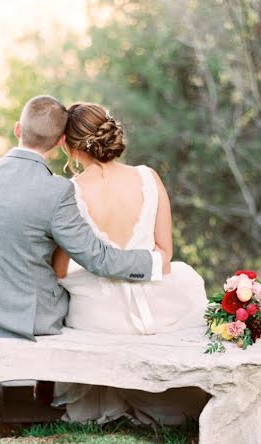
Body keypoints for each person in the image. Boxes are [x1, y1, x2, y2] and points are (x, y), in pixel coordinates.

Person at [0, 95, 166, 403]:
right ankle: (45, 381)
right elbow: (96, 258)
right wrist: (153, 261)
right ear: (60, 140)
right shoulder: (58, 190)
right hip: (28, 317)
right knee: (70, 290)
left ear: (18, 129)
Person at [50, 102, 209, 424]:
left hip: (99, 315)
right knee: (186, 279)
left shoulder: (69, 191)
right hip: (162, 304)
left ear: (68, 144)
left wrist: (100, 267)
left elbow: (60, 271)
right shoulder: (148, 178)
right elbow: (164, 256)